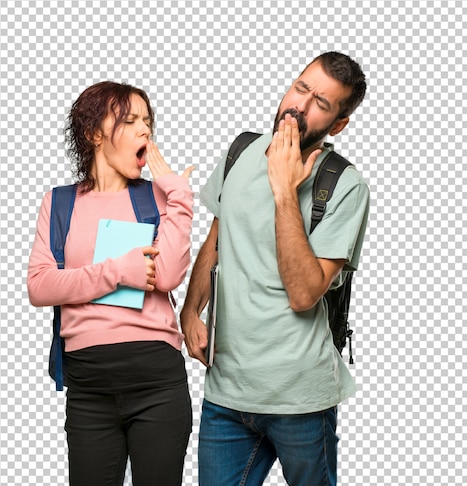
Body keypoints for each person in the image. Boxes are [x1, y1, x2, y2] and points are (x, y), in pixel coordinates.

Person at [180, 52, 369, 486]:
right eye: (301, 88)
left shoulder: (344, 185)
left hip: (299, 397)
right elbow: (216, 241)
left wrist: (284, 191)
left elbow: (304, 293)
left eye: (321, 102)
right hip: (226, 392)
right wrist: (190, 312)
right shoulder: (242, 151)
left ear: (338, 124)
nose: (300, 105)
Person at [28, 81, 194, 486]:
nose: (146, 132)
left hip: (157, 382)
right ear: (94, 133)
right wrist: (119, 271)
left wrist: (179, 196)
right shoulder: (61, 202)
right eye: (131, 120)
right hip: (88, 390)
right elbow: (40, 286)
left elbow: (169, 276)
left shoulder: (156, 197)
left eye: (148, 122)